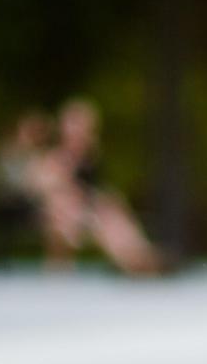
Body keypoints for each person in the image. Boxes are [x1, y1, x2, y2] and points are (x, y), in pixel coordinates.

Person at [38, 99, 160, 276]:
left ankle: (140, 255)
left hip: (87, 212)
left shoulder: (90, 159)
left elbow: (94, 191)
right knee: (106, 223)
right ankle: (136, 260)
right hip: (68, 216)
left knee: (114, 216)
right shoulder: (57, 160)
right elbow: (52, 195)